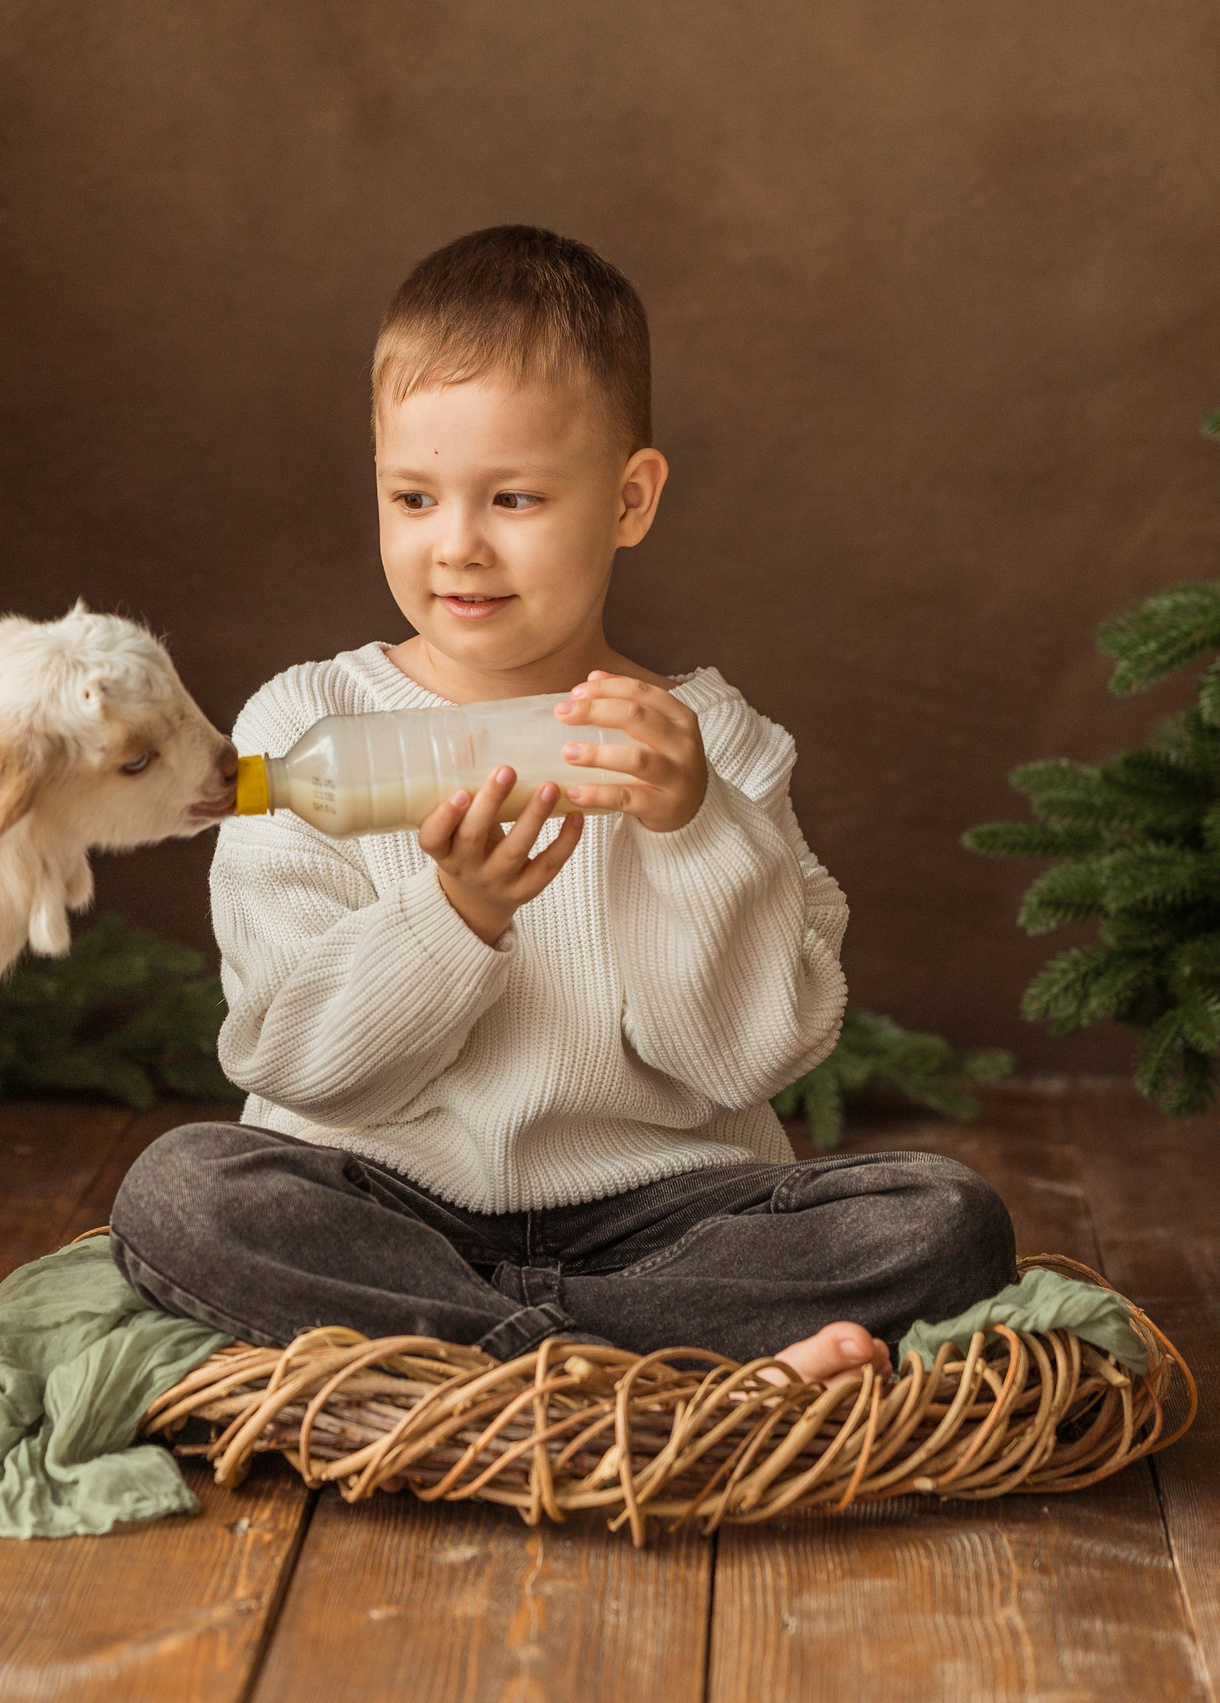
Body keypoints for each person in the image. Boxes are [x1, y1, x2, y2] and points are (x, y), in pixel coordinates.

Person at [110, 225, 1014, 1383]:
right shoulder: (304, 722)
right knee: (182, 1191)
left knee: (946, 1219)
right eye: (413, 496)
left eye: (515, 497)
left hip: (662, 1216)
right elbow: (296, 1060)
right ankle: (642, 1376)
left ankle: (481, 1371)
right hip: (388, 1206)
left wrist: (691, 830)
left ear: (629, 499)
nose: (457, 546)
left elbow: (744, 1059)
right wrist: (453, 916)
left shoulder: (712, 744)